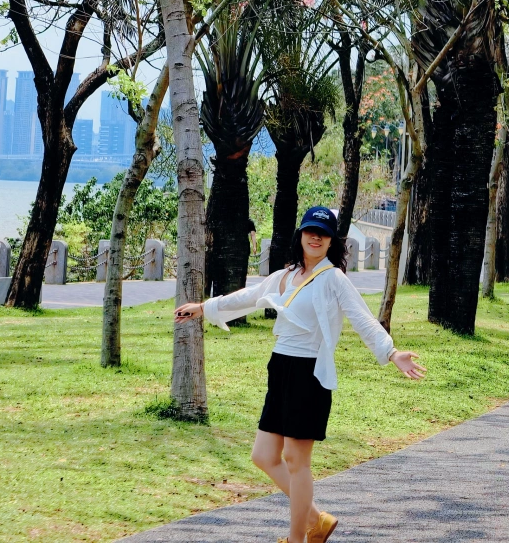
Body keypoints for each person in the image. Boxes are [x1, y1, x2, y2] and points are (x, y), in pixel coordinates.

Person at [175, 204, 425, 543]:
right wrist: (204, 307)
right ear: (301, 235)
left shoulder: (334, 279)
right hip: (280, 368)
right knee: (263, 456)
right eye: (311, 231)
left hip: (310, 373)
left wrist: (392, 352)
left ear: (332, 241)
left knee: (295, 459)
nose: (316, 238)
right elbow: (249, 296)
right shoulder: (285, 275)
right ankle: (315, 520)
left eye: (323, 234)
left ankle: (298, 539)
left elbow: (362, 318)